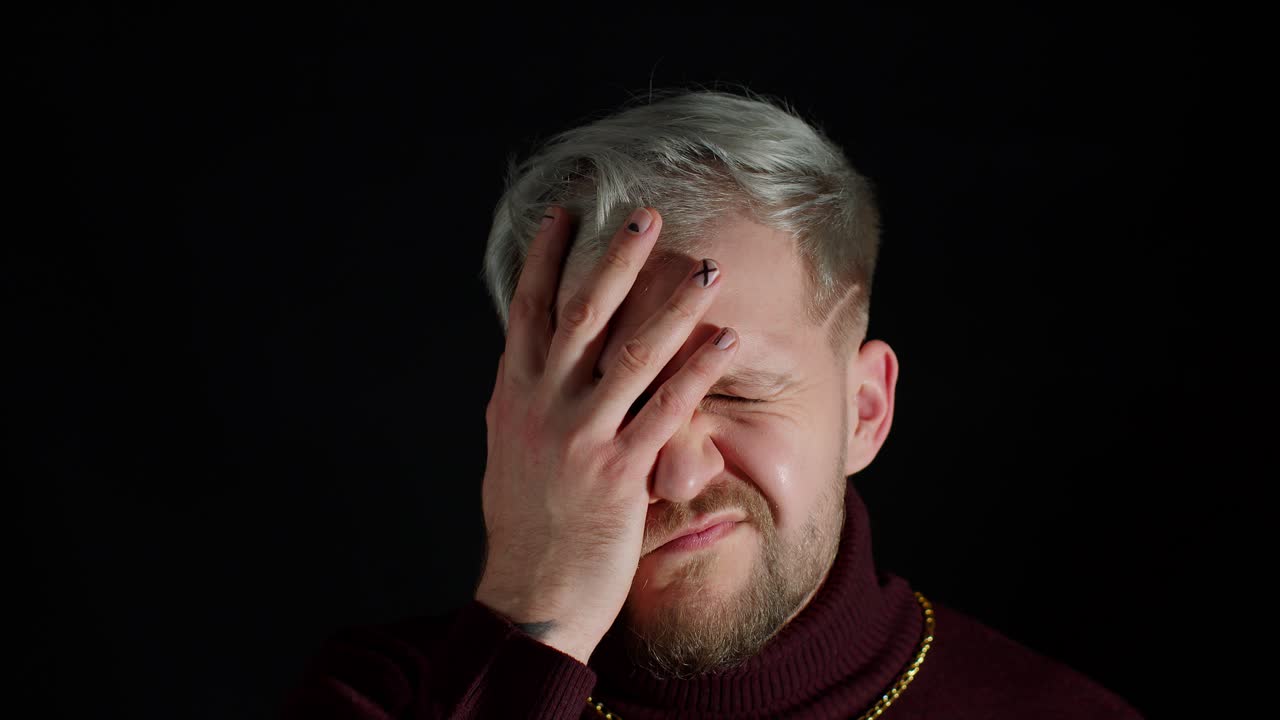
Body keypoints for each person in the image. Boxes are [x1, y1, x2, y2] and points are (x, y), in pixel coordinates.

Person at [282, 87, 1142, 719]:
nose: (681, 470)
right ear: (522, 425)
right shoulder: (387, 699)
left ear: (867, 411)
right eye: (614, 397)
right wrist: (530, 616)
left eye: (736, 391)